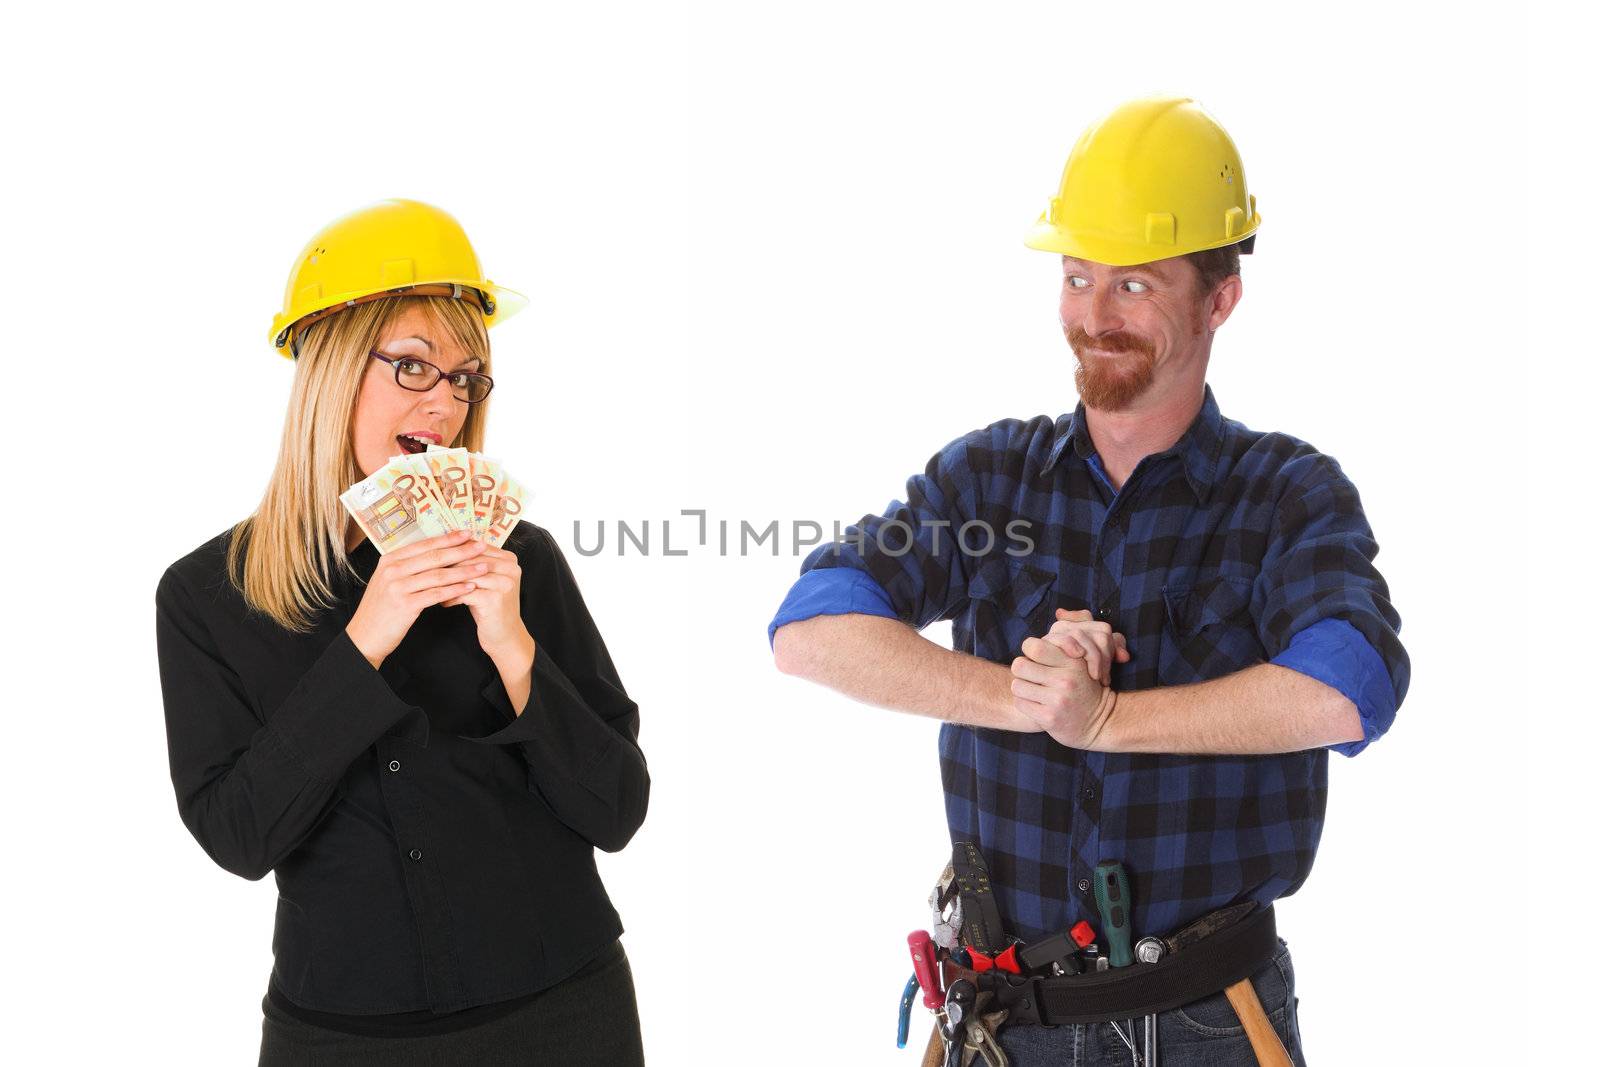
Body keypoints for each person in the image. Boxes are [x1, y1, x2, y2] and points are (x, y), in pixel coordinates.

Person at [768, 96, 1408, 1065]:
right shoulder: (989, 477)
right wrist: (1027, 699)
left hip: (1204, 1021)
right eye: (1077, 278)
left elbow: (1349, 688)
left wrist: (1109, 720)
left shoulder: (1284, 493)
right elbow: (809, 626)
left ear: (1219, 297)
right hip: (1005, 1020)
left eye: (1136, 286)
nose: (1094, 317)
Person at [154, 199, 649, 1066]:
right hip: (340, 1037)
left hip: (564, 1016)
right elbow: (238, 836)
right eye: (414, 365)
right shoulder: (205, 596)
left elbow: (617, 810)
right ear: (332, 369)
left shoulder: (516, 558)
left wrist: (516, 652)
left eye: (465, 375)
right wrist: (364, 644)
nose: (448, 401)